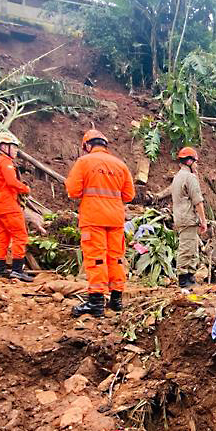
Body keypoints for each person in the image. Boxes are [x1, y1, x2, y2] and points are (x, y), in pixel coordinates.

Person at [65, 129, 135, 317]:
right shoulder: (120, 165)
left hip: (93, 217)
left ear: (88, 145)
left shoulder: (84, 162)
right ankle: (116, 300)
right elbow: (129, 195)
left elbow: (72, 191)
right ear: (104, 144)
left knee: (96, 257)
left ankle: (96, 302)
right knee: (116, 258)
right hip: (115, 218)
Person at [0, 131, 34, 282]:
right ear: (5, 146)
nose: (16, 150)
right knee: (20, 236)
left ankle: (1, 270)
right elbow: (12, 182)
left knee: (1, 237)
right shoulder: (5, 162)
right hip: (7, 206)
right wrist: (25, 189)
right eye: (14, 147)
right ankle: (17, 270)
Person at [163, 147, 207, 288]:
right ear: (189, 161)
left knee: (190, 247)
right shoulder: (189, 177)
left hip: (181, 217)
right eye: (195, 162)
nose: (196, 165)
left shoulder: (177, 177)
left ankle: (190, 277)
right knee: (187, 248)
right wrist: (203, 220)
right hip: (188, 217)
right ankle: (184, 279)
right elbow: (198, 202)